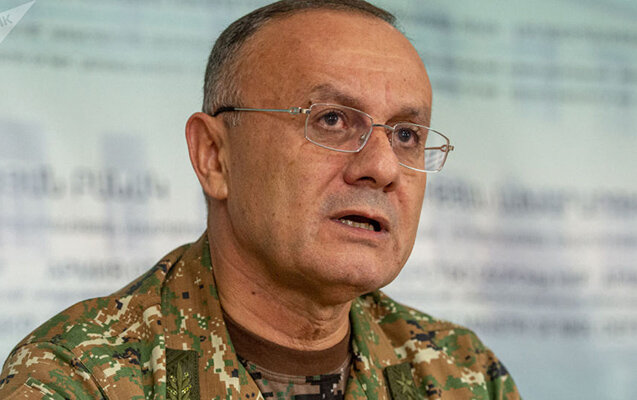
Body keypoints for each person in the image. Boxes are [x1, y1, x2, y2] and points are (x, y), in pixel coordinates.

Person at [0, 1, 521, 399]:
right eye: (331, 120)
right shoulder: (80, 377)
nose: (383, 168)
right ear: (215, 157)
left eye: (406, 135)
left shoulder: (462, 374)